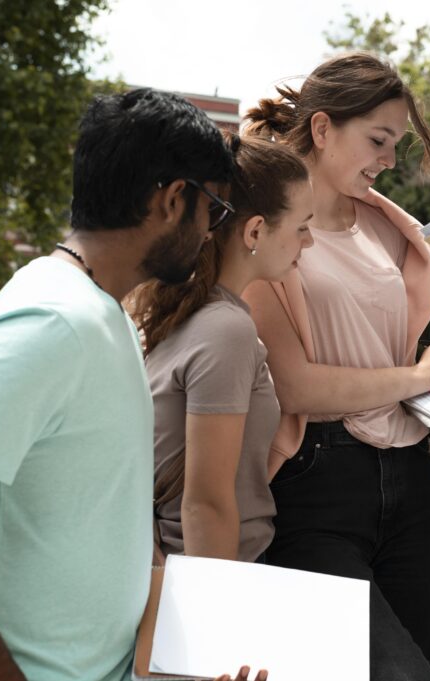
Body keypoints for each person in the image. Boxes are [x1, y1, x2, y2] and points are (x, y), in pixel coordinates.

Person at [0, 88, 261, 681]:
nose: (212, 232)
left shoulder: (105, 313)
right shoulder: (50, 321)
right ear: (172, 200)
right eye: (213, 211)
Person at [242, 52, 430, 676]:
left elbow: (387, 355)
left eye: (396, 143)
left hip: (413, 479)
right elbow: (296, 385)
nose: (390, 160)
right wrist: (419, 377)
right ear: (320, 129)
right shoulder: (269, 234)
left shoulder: (388, 228)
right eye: (378, 140)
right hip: (315, 482)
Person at [131, 134, 312, 564]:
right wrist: (212, 617)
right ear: (255, 230)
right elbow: (205, 504)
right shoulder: (226, 330)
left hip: (180, 566)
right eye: (302, 227)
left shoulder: (176, 315)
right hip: (214, 572)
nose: (309, 243)